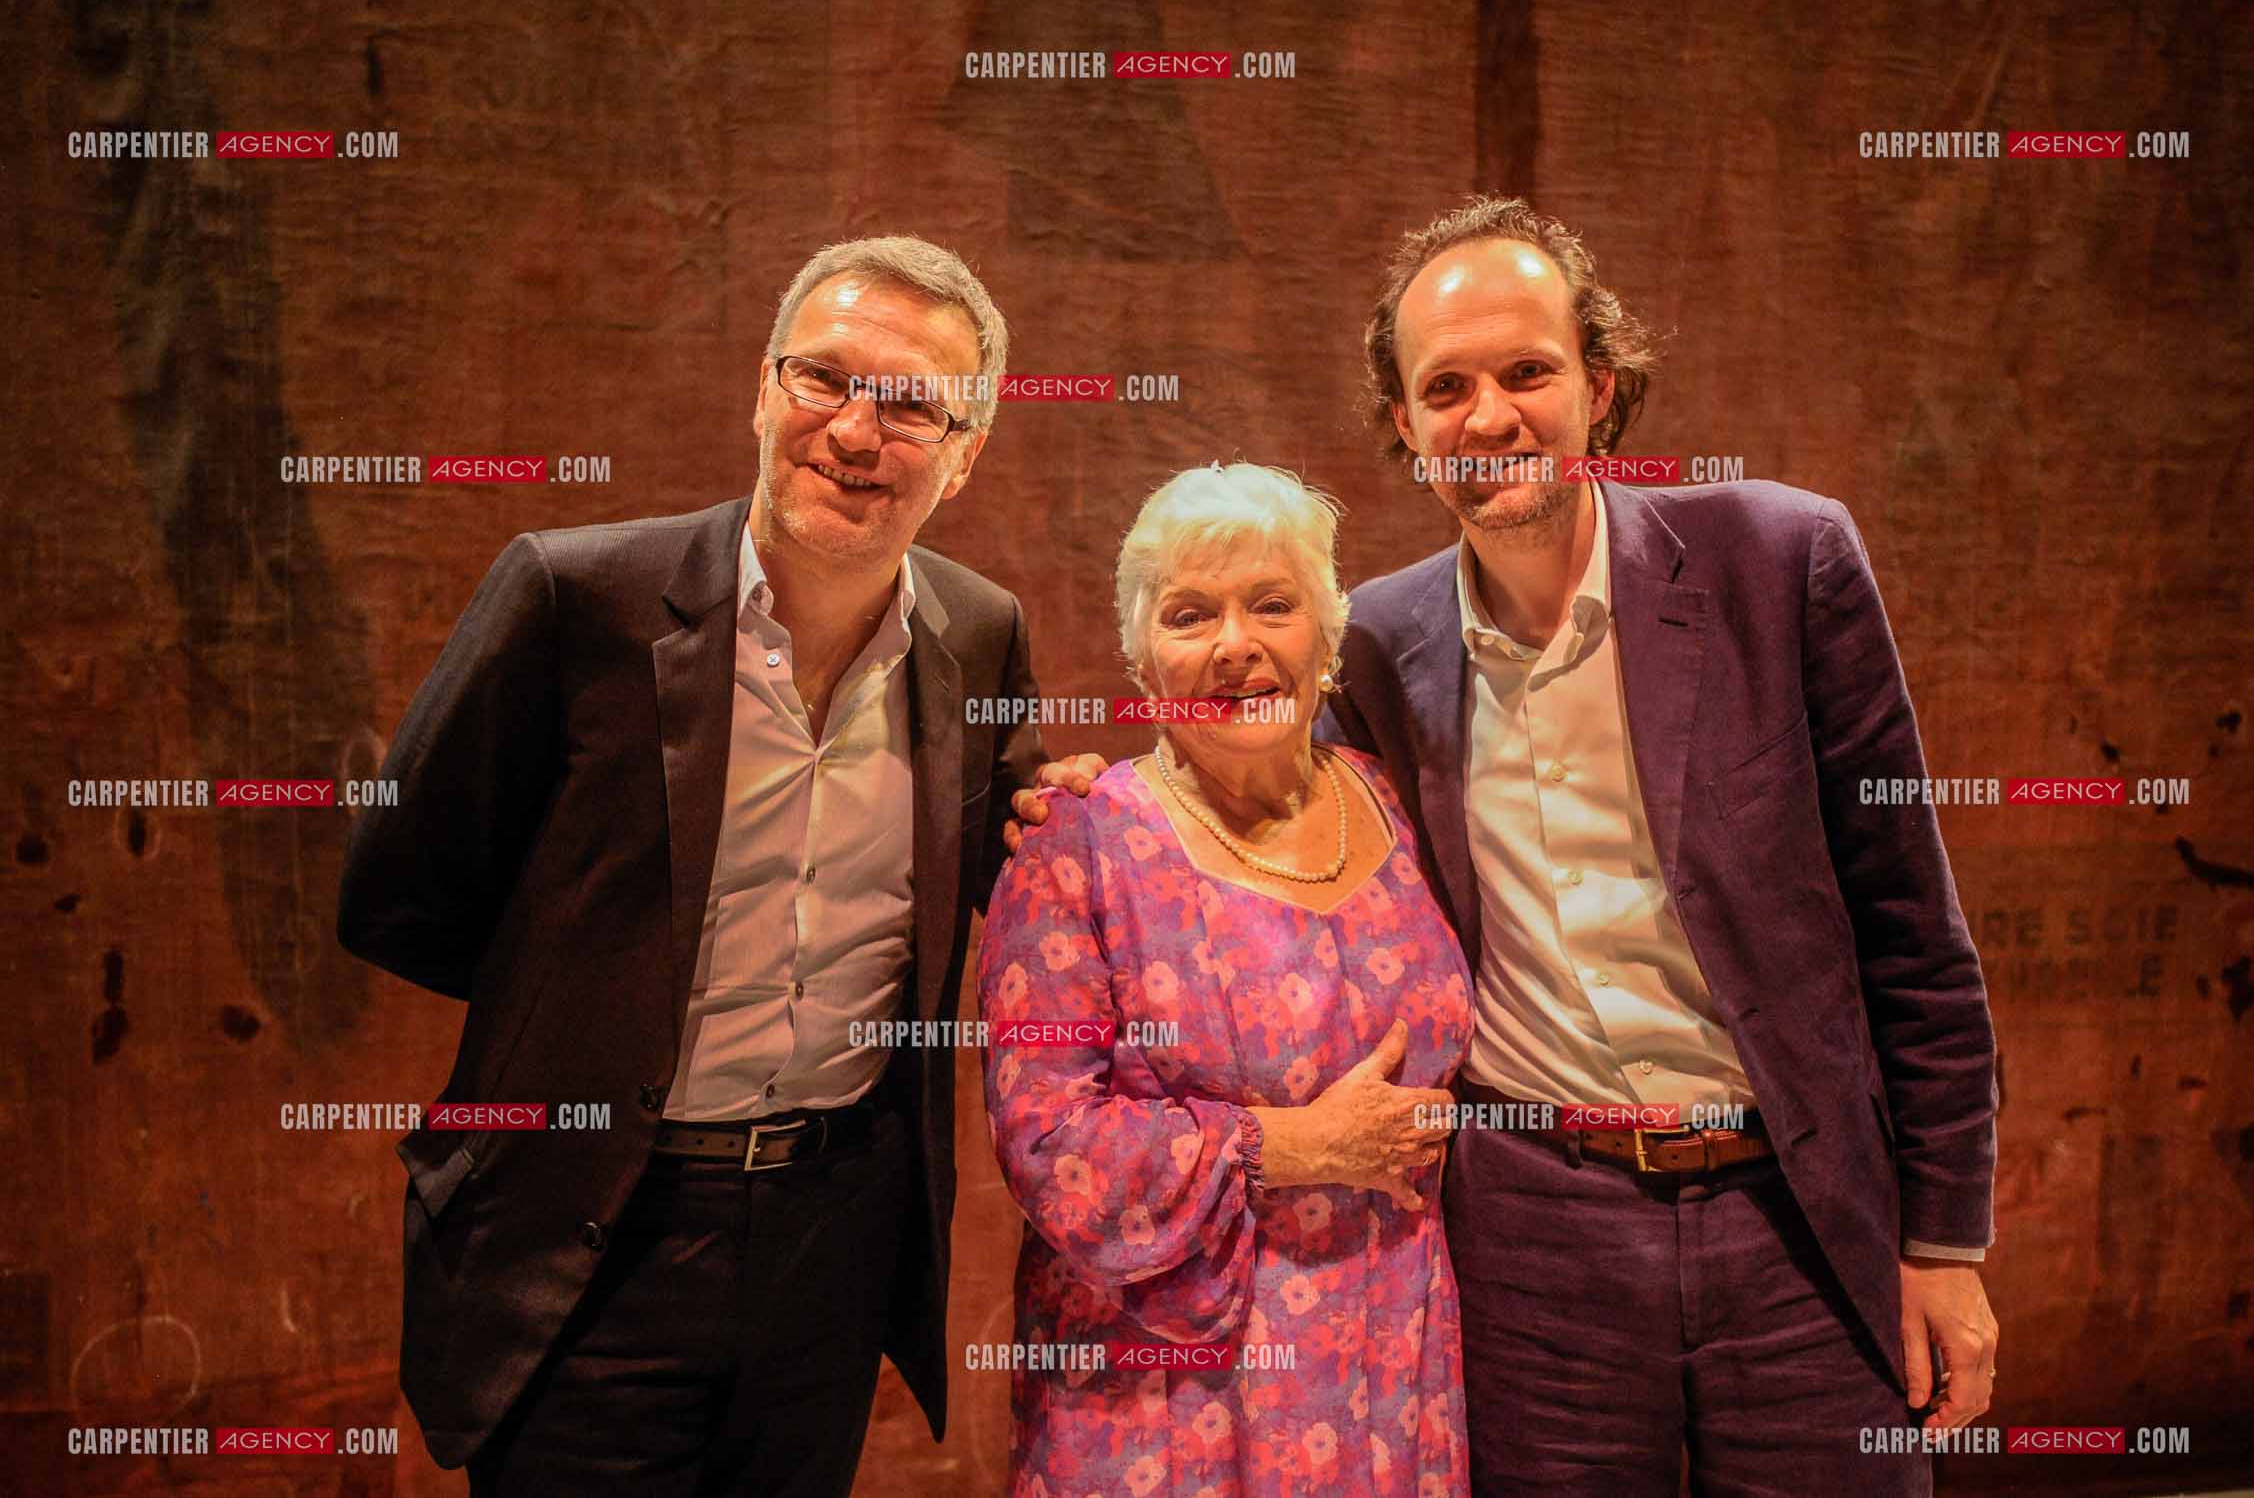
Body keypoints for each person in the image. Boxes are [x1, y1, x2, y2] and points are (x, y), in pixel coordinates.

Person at [1013, 198, 2000, 1497]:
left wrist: (1942, 1241)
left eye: (1525, 371)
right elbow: (1239, 756)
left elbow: (1910, 929)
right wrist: (1060, 792)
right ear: (1404, 427)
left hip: (1797, 1218)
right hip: (1534, 1233)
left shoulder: (1780, 558)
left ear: (1597, 383)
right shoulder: (1370, 644)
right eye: (1446, 387)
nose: (1489, 416)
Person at [338, 234, 1077, 1496]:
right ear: (761, 388)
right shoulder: (574, 598)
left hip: (831, 1242)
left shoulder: (981, 633)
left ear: (967, 456)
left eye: (912, 405)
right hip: (593, 1233)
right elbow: (398, 894)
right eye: (824, 377)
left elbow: (1000, 875)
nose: (857, 429)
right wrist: (585, 1014)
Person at [980, 463, 1474, 1496]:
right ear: (1142, 659)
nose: (1234, 644)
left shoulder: (1394, 800)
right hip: (1168, 1397)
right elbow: (1051, 1147)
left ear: (1326, 639)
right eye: (1189, 614)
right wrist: (1289, 1145)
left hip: (1392, 1355)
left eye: (1272, 605)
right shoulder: (1076, 846)